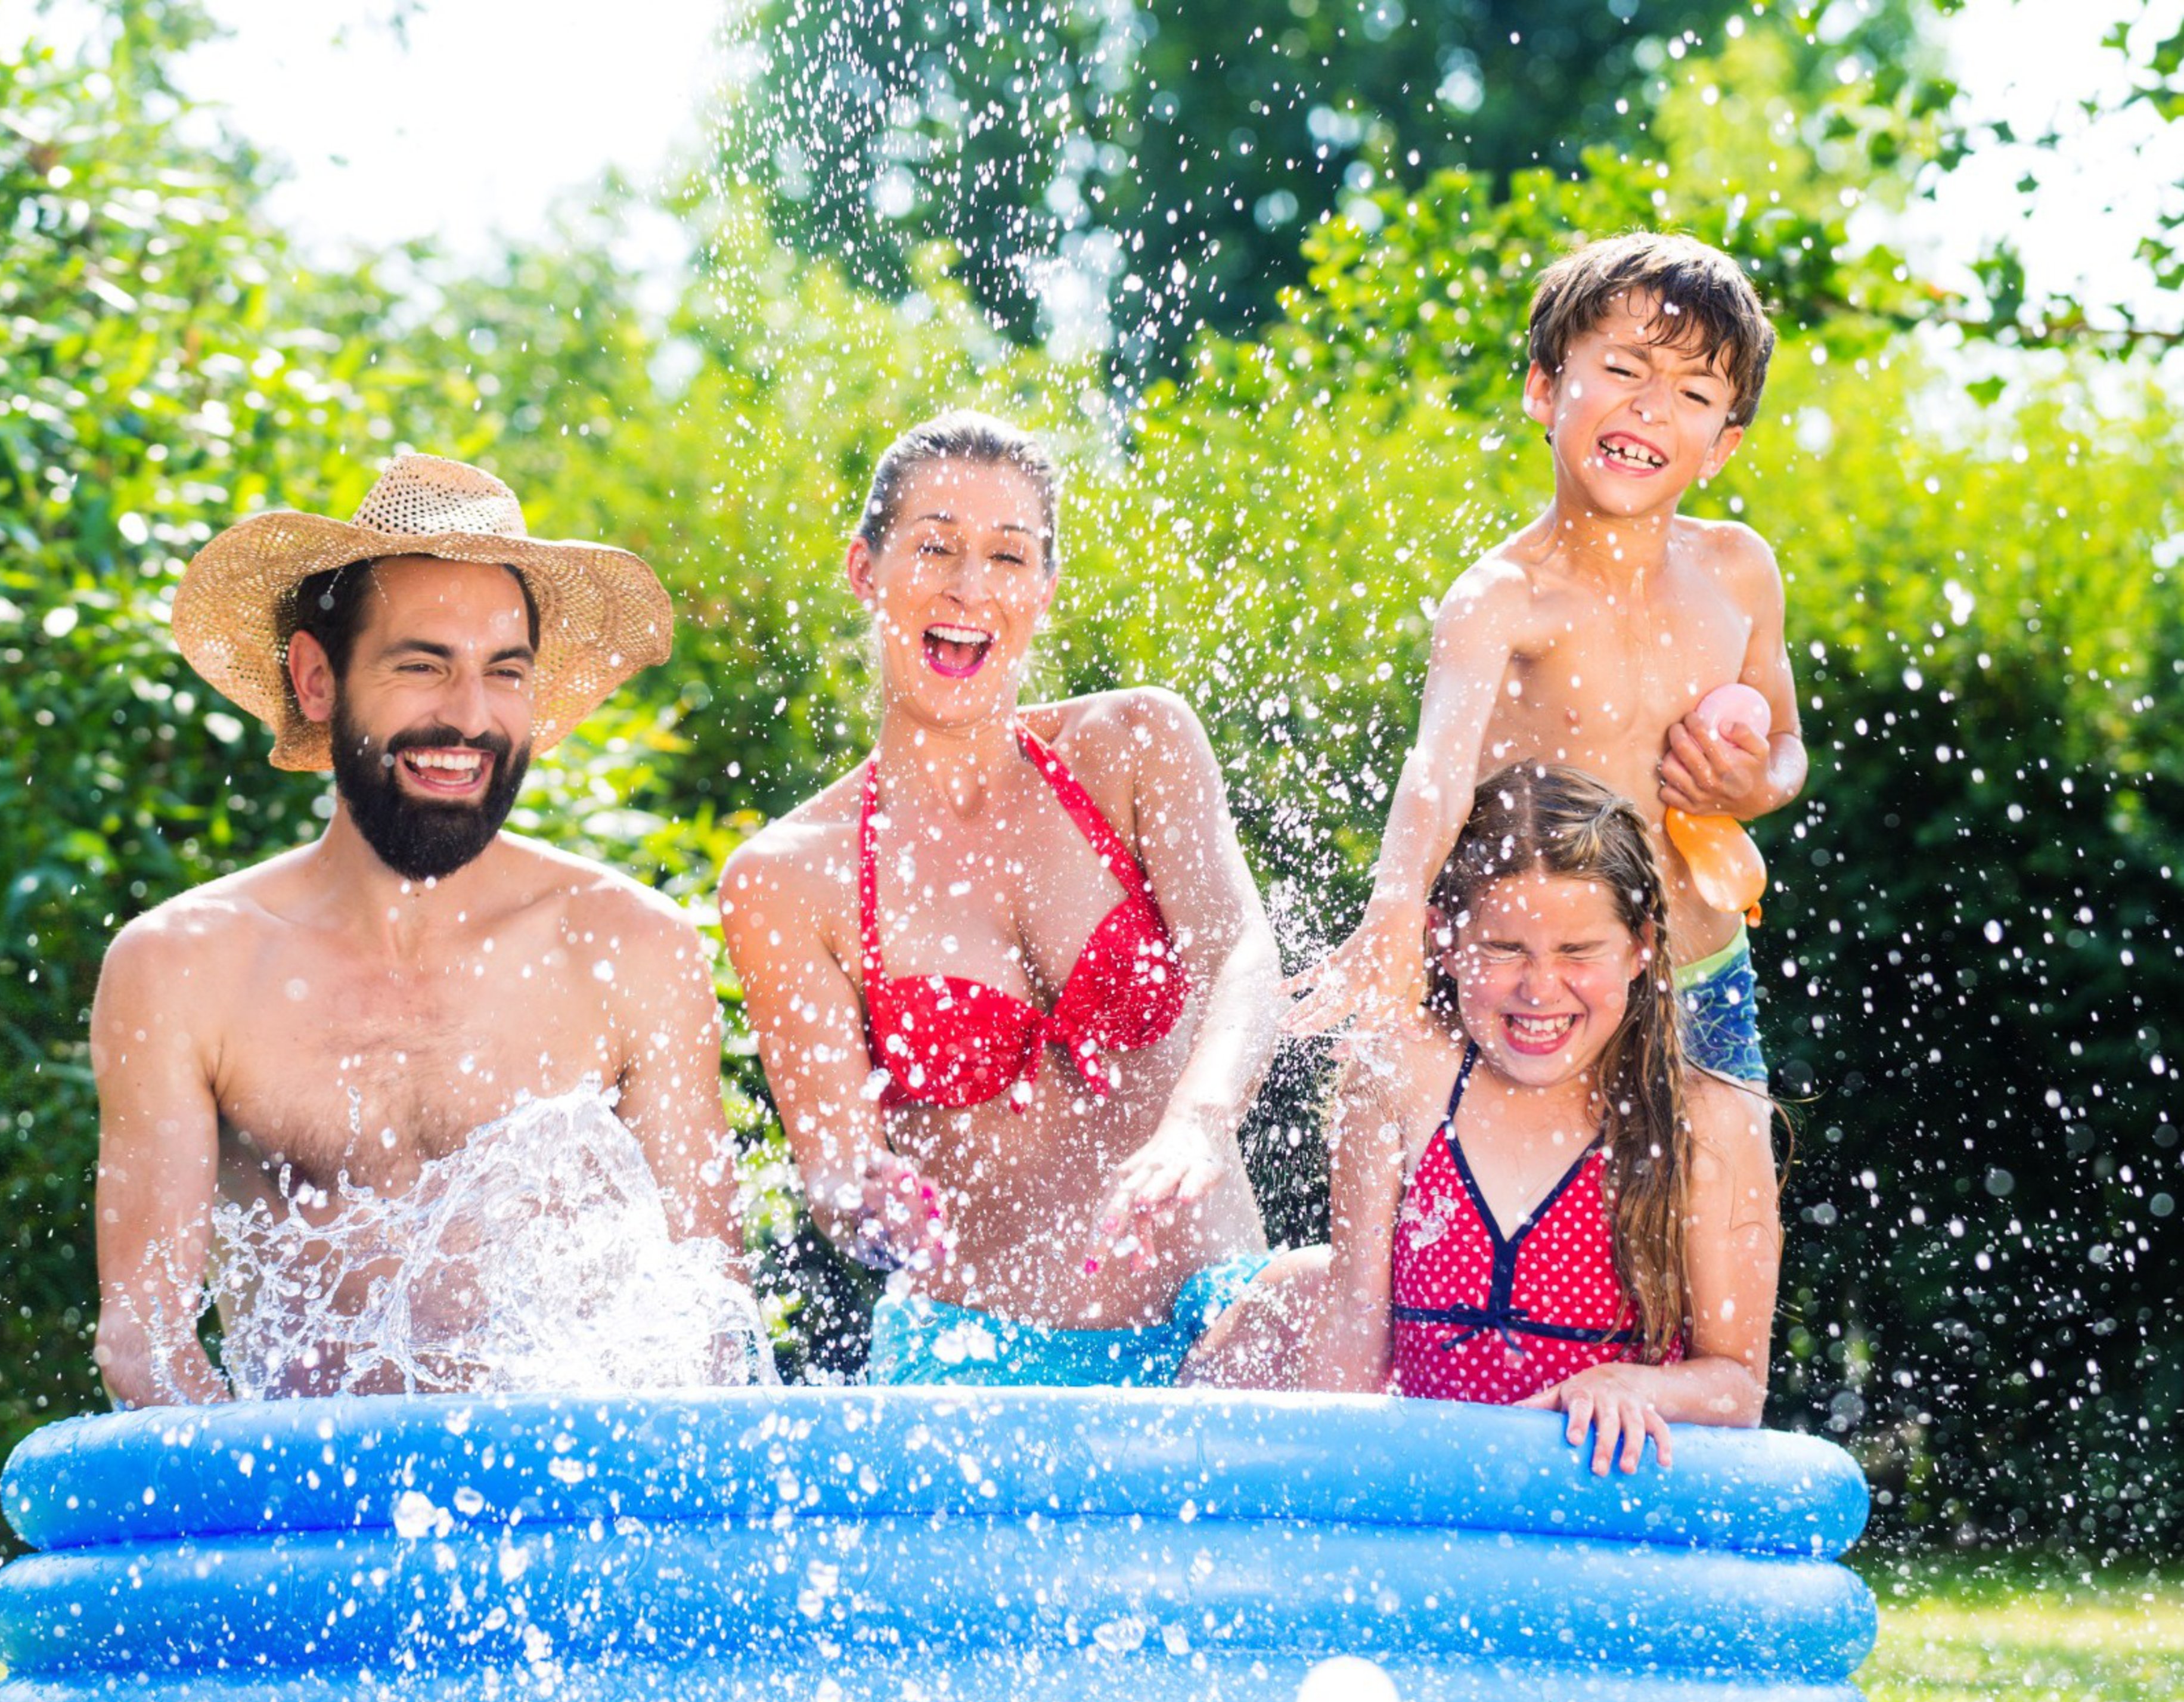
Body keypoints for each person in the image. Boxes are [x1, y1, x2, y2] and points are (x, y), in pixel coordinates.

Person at [91, 454, 751, 1405]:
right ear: (316, 679)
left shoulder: (627, 948)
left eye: (505, 672)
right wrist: (266, 1537)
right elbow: (144, 1341)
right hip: (306, 1517)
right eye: (423, 665)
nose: (470, 717)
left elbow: (710, 1318)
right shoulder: (186, 967)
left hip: (566, 1522)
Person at [720, 411, 1289, 1385]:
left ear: (1044, 588)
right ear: (866, 570)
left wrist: (1197, 1118)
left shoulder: (1135, 747)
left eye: (1007, 557)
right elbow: (831, 1162)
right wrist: (868, 1199)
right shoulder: (786, 876)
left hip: (1212, 1318)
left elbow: (1243, 954)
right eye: (934, 547)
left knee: (1320, 1292)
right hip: (980, 1355)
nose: (969, 588)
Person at [1286, 231, 1804, 1095]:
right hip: (1547, 991)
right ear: (1545, 387)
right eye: (1625, 369)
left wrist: (1754, 788)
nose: (1650, 408)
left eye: (1693, 390)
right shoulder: (1504, 598)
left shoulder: (1738, 570)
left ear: (1722, 445)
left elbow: (1786, 741)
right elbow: (1436, 771)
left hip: (1705, 974)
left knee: (1728, 1221)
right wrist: (1394, 909)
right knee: (1531, 1223)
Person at [1281, 764, 1780, 1473]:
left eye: (1579, 952)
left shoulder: (1706, 1121)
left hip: (1591, 1506)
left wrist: (1625, 1384)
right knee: (1288, 1294)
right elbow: (1357, 1322)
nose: (1541, 990)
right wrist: (1320, 1492)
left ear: (1640, 946)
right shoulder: (1403, 1075)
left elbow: (1737, 1386)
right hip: (1431, 1478)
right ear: (1445, 941)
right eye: (1504, 949)